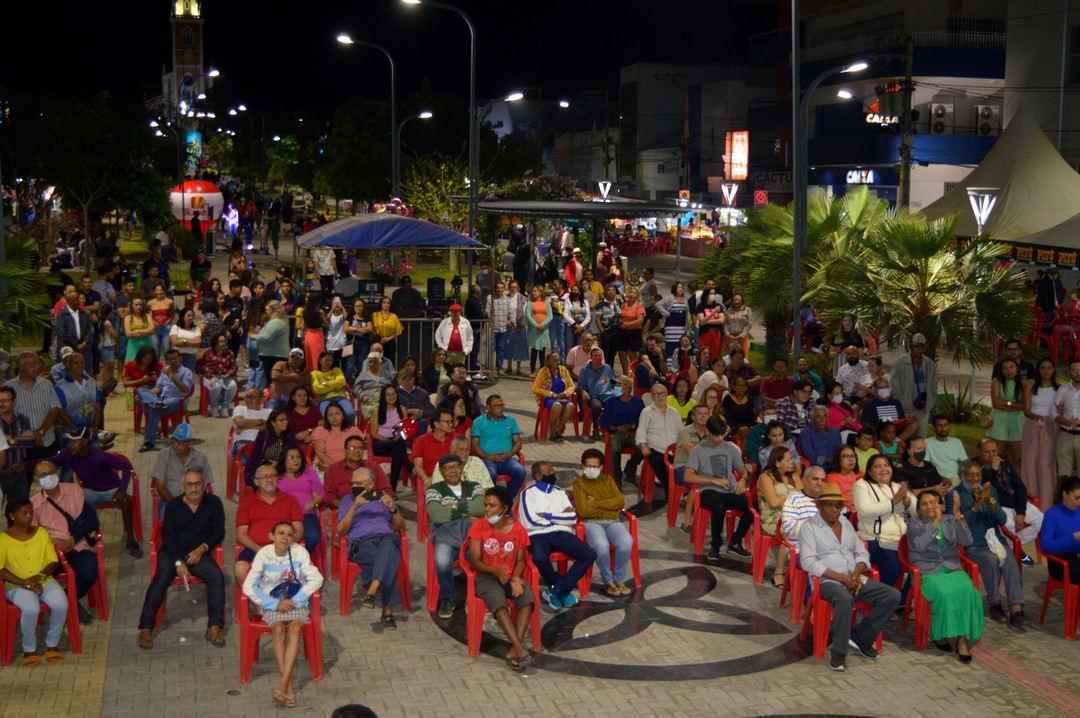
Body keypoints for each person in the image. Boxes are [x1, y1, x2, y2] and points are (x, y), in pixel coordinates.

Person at [799, 482, 902, 672]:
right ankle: (838, 653)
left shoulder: (845, 523)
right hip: (827, 581)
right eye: (829, 505)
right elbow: (809, 562)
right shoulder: (809, 527)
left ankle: (860, 637)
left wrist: (855, 574)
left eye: (838, 505)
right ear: (819, 506)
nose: (834, 509)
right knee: (844, 599)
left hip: (854, 578)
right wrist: (842, 579)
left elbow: (861, 553)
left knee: (892, 596)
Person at [137, 467, 225, 650]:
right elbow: (167, 537)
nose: (194, 488)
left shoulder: (214, 503)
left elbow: (218, 531)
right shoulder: (173, 506)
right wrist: (178, 562)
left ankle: (214, 626)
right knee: (161, 578)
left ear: (205, 484)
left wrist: (202, 549)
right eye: (190, 484)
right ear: (182, 486)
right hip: (172, 553)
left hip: (198, 554)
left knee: (217, 576)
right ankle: (145, 628)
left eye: (198, 483)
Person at [242, 521, 324, 707]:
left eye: (289, 534)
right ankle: (288, 688)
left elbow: (317, 578)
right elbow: (249, 585)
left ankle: (282, 683)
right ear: (272, 536)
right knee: (278, 630)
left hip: (296, 601)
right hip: (273, 602)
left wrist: (298, 600)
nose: (285, 538)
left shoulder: (299, 552)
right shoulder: (264, 554)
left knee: (295, 629)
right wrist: (275, 603)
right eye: (281, 533)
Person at [946, 460, 1027, 626]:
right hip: (972, 543)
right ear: (962, 476)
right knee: (990, 560)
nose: (976, 479)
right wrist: (977, 505)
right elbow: (955, 524)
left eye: (978, 475)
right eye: (971, 475)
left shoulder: (990, 491)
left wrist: (990, 501)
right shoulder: (954, 495)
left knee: (1010, 561)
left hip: (995, 540)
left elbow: (1002, 519)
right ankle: (994, 603)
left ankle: (1016, 608)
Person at [907, 490, 983, 661]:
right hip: (928, 572)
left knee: (968, 591)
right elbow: (919, 545)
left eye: (933, 502)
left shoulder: (950, 520)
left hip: (952, 568)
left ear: (940, 504)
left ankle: (962, 640)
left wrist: (959, 516)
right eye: (924, 504)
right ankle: (940, 634)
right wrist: (934, 523)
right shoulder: (913, 523)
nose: (929, 506)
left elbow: (967, 541)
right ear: (919, 509)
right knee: (945, 594)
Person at [467, 485, 535, 670]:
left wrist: (516, 578)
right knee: (498, 603)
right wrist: (496, 571)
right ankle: (520, 649)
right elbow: (474, 561)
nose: (487, 509)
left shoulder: (518, 530)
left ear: (504, 509)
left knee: (527, 599)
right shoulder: (479, 526)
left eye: (492, 505)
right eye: (486, 505)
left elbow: (521, 560)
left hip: (510, 576)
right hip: (487, 577)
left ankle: (515, 648)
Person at [49, 427, 142, 558]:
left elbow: (126, 466)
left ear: (85, 442)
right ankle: (82, 537)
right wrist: (25, 466)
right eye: (70, 441)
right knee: (72, 503)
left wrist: (122, 488)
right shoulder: (69, 454)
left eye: (75, 441)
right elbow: (50, 461)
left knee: (125, 500)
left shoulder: (100, 455)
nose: (71, 445)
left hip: (111, 490)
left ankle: (131, 540)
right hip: (90, 492)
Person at [518, 460, 597, 611]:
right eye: (550, 471)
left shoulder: (560, 492)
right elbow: (530, 521)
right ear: (539, 476)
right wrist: (559, 518)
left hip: (562, 533)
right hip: (538, 535)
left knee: (589, 554)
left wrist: (547, 515)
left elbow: (572, 518)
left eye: (553, 470)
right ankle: (561, 589)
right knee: (539, 558)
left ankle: (557, 589)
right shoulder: (527, 493)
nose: (554, 474)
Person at [29, 459, 98, 626]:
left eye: (51, 472)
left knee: (90, 572)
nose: (49, 477)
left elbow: (90, 520)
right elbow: (32, 535)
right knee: (38, 577)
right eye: (43, 475)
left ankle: (68, 598)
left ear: (59, 472)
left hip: (77, 546)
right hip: (50, 552)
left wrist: (72, 539)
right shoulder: (33, 504)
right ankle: (65, 603)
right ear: (36, 479)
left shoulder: (74, 491)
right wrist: (54, 542)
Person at [0, 498, 69, 666]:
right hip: (16, 585)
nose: (29, 516)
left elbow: (53, 561)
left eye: (31, 512)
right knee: (31, 608)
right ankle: (29, 648)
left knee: (61, 604)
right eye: (24, 513)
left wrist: (38, 579)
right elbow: (1, 569)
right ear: (12, 516)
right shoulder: (3, 539)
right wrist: (24, 583)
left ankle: (52, 644)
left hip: (43, 580)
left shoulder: (41, 533)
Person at [336, 466, 405, 628]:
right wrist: (354, 508)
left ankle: (373, 588)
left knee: (388, 543)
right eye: (352, 483)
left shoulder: (384, 497)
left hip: (386, 538)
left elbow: (401, 527)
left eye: (358, 483)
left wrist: (392, 509)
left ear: (371, 484)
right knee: (389, 557)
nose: (354, 486)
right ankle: (386, 610)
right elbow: (341, 530)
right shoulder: (347, 501)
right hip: (361, 544)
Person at [426, 453, 486, 619]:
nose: (452, 470)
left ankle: (482, 596)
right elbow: (436, 515)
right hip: (446, 536)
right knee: (442, 561)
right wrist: (466, 514)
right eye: (447, 468)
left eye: (455, 466)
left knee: (487, 558)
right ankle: (448, 598)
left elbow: (480, 508)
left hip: (471, 537)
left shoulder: (474, 486)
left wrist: (452, 506)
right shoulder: (434, 490)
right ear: (442, 472)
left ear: (461, 468)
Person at [685, 417, 752, 563]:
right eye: (716, 435)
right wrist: (712, 480)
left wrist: (743, 479)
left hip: (727, 490)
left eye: (722, 434)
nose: (719, 438)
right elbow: (688, 476)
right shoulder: (698, 450)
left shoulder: (730, 447)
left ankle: (735, 541)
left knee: (752, 506)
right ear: (708, 431)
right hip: (707, 491)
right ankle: (715, 545)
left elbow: (743, 470)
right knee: (718, 507)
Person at [854, 455, 916, 604]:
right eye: (878, 466)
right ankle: (882, 601)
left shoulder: (896, 486)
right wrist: (893, 502)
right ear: (869, 470)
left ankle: (901, 601)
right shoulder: (861, 485)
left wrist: (907, 501)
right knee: (893, 565)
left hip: (903, 540)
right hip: (875, 540)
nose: (883, 469)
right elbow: (864, 510)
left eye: (886, 465)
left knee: (923, 561)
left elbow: (917, 510)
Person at [573, 448, 634, 596]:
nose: (591, 469)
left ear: (601, 467)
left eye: (595, 466)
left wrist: (597, 503)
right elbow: (584, 511)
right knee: (601, 546)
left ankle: (618, 579)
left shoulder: (608, 479)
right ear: (583, 466)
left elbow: (620, 500)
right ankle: (608, 581)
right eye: (588, 466)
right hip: (591, 522)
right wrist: (610, 507)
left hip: (612, 520)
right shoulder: (579, 484)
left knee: (626, 542)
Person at [235, 462, 304, 585]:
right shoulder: (246, 503)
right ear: (256, 482)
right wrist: (260, 550)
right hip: (256, 548)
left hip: (285, 547)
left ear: (278, 479)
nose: (270, 479)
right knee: (240, 569)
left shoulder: (291, 500)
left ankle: (286, 601)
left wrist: (285, 546)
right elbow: (241, 534)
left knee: (302, 572)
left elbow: (298, 529)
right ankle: (262, 604)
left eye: (273, 475)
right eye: (264, 477)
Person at [974, 438, 1043, 554]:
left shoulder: (1004, 463)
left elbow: (1020, 487)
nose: (991, 455)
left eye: (994, 451)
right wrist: (993, 470)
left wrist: (1021, 512)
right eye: (987, 452)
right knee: (1008, 524)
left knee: (1043, 521)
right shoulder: (974, 467)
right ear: (979, 452)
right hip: (998, 505)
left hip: (1015, 502)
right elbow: (983, 489)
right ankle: (1014, 552)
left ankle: (1015, 546)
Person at [759, 446, 803, 588]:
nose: (792, 462)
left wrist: (787, 499)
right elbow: (774, 502)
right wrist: (792, 499)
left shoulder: (793, 477)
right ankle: (778, 572)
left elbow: (803, 499)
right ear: (777, 462)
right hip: (771, 519)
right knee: (789, 531)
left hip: (793, 517)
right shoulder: (766, 477)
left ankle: (800, 572)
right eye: (788, 459)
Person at [151, 423, 215, 518]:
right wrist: (177, 505)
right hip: (169, 501)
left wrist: (192, 503)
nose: (176, 445)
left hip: (194, 500)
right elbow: (160, 487)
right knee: (167, 519)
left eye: (180, 442)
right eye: (174, 440)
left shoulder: (201, 458)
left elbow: (204, 485)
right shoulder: (164, 455)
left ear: (190, 443)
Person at [135, 349, 191, 453]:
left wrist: (172, 376)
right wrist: (146, 395)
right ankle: (156, 403)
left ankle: (149, 442)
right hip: (163, 401)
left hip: (177, 401)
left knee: (154, 410)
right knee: (140, 390)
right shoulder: (165, 370)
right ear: (167, 361)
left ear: (180, 358)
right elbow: (158, 388)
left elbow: (185, 389)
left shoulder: (186, 372)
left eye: (175, 358)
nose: (173, 361)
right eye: (170, 359)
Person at [1023, 358, 1060, 509]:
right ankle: (1030, 503)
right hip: (1032, 424)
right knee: (1029, 463)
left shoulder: (1059, 389)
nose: (1046, 371)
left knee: (1046, 465)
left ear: (1053, 370)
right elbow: (1026, 409)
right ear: (1038, 370)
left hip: (1051, 426)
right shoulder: (1031, 386)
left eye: (1049, 368)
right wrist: (1037, 418)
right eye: (1043, 368)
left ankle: (1047, 504)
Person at [471, 394, 527, 494]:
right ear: (488, 407)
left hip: (507, 459)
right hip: (487, 459)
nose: (500, 408)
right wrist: (488, 457)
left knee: (521, 471)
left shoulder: (511, 420)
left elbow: (518, 443)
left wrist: (510, 454)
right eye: (496, 406)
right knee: (490, 474)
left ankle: (506, 499)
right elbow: (474, 445)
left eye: (501, 405)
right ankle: (492, 498)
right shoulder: (479, 422)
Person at [598, 375, 645, 488]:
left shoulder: (638, 402)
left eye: (620, 385)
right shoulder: (611, 402)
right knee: (615, 448)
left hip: (633, 433)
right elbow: (603, 422)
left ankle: (629, 467)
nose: (616, 387)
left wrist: (632, 427)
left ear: (628, 388)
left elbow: (643, 420)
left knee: (643, 450)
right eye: (616, 385)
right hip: (616, 433)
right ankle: (617, 478)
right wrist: (617, 428)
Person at [637, 383, 681, 500]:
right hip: (656, 450)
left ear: (666, 395)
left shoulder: (674, 412)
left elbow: (680, 432)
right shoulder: (647, 412)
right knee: (655, 460)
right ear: (651, 396)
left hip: (674, 451)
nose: (660, 396)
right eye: (656, 394)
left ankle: (684, 491)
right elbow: (641, 431)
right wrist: (643, 445)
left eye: (662, 393)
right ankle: (670, 489)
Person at [367, 385, 413, 494]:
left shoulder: (402, 409)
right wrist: (388, 440)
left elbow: (405, 430)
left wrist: (400, 436)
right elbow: (373, 434)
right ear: (383, 397)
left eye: (393, 394)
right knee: (396, 447)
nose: (391, 397)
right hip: (380, 443)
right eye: (388, 395)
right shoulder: (377, 411)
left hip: (396, 442)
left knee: (398, 449)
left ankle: (392, 489)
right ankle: (410, 467)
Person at [322, 436, 391, 508]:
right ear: (345, 451)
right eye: (352, 448)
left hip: (372, 508)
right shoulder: (333, 469)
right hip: (346, 510)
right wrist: (347, 508)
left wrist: (375, 504)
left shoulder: (373, 467)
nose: (356, 451)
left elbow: (387, 490)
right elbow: (329, 496)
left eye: (360, 448)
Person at [890, 333, 936, 437]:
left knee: (921, 438)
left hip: (923, 408)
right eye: (916, 346)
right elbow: (894, 384)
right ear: (911, 346)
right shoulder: (900, 362)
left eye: (921, 347)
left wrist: (930, 403)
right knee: (906, 436)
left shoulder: (929, 363)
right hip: (906, 408)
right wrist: (901, 401)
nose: (918, 350)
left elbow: (933, 384)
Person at [1041, 475, 1080, 587]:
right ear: (1064, 495)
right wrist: (1073, 538)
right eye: (1076, 498)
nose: (1079, 502)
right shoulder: (1051, 515)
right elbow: (1046, 546)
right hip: (1060, 561)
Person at [988, 357, 1025, 471]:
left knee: (1017, 459)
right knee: (996, 456)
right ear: (1001, 370)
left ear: (1017, 369)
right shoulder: (997, 381)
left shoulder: (1024, 383)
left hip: (1017, 422)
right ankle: (996, 483)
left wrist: (1005, 404)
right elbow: (995, 403)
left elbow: (1024, 405)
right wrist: (1014, 404)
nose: (1009, 370)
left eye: (1011, 367)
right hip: (999, 421)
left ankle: (1018, 485)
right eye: (1005, 368)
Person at [531, 351, 576, 442]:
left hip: (562, 397)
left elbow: (572, 386)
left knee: (571, 406)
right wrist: (551, 394)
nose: (558, 362)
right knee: (557, 405)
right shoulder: (543, 372)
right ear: (549, 361)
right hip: (548, 399)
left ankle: (558, 429)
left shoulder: (563, 370)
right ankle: (552, 431)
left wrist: (566, 393)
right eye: (555, 360)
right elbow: (535, 388)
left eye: (558, 360)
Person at [244, 410, 297, 487]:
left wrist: (278, 463)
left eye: (286, 419)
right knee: (265, 482)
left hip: (281, 469)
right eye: (281, 420)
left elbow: (292, 452)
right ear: (273, 423)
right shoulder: (263, 434)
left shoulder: (289, 433)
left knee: (286, 482)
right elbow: (254, 455)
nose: (285, 422)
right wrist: (267, 464)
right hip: (259, 468)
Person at [781, 465, 827, 549]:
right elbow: (789, 528)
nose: (820, 483)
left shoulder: (828, 500)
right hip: (802, 549)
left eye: (823, 480)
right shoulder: (793, 499)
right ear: (804, 481)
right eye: (815, 479)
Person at [412, 407, 458, 488]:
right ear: (437, 424)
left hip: (454, 479)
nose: (451, 424)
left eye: (451, 421)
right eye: (447, 422)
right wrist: (425, 478)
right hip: (432, 480)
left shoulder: (457, 439)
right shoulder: (422, 441)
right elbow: (418, 466)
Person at [860, 377, 917, 442]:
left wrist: (907, 420)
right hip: (881, 432)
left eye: (886, 387)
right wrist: (879, 431)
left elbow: (901, 419)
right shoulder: (870, 404)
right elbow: (866, 424)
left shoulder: (896, 402)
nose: (884, 390)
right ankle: (889, 441)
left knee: (915, 425)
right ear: (875, 390)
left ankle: (896, 441)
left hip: (896, 430)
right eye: (881, 388)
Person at [311, 403, 364, 472]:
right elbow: (320, 453)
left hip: (350, 466)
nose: (334, 417)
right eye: (331, 415)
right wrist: (338, 467)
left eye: (337, 413)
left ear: (343, 416)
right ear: (326, 418)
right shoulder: (321, 430)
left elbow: (360, 450)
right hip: (325, 466)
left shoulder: (353, 430)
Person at [578, 347, 616, 441]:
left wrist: (620, 391)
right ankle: (595, 428)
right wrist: (583, 392)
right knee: (596, 406)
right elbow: (581, 385)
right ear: (591, 357)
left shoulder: (607, 368)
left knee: (615, 405)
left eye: (599, 356)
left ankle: (611, 429)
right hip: (593, 396)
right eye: (595, 356)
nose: (598, 357)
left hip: (607, 395)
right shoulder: (585, 370)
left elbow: (614, 382)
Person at [925, 415, 967, 488]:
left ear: (949, 426)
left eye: (945, 425)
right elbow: (925, 465)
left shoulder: (956, 442)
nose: (943, 428)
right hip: (939, 480)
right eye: (939, 426)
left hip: (957, 478)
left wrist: (962, 473)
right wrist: (940, 478)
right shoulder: (927, 443)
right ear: (933, 428)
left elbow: (965, 462)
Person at [617, 286, 646, 378]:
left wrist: (628, 324)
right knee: (621, 354)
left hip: (634, 332)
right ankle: (625, 374)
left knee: (632, 355)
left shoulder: (639, 306)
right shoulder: (624, 304)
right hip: (623, 331)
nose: (632, 295)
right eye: (631, 292)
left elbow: (640, 320)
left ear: (637, 296)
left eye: (634, 293)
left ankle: (634, 374)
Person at [525, 286, 554, 377]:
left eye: (535, 291)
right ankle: (532, 371)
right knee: (534, 351)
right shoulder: (530, 303)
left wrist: (542, 325)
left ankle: (542, 370)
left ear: (541, 292)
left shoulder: (546, 303)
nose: (533, 293)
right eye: (532, 291)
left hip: (544, 330)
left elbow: (550, 316)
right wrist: (536, 325)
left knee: (542, 351)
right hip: (534, 329)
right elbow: (528, 316)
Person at [435, 303, 474, 367]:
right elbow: (438, 335)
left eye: (456, 312)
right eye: (452, 312)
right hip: (448, 352)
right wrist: (443, 348)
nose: (454, 314)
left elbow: (470, 337)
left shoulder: (466, 322)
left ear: (460, 312)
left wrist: (467, 349)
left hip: (461, 353)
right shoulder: (445, 322)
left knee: (459, 371)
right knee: (447, 371)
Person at [371, 296, 404, 367]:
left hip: (390, 341)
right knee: (377, 361)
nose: (386, 304)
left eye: (388, 303)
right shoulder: (375, 315)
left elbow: (397, 331)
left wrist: (387, 339)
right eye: (384, 303)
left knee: (390, 361)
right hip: (378, 341)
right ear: (381, 304)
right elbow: (371, 328)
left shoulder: (394, 316)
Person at [169, 309, 201, 373]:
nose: (191, 317)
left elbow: (198, 342)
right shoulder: (175, 327)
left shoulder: (196, 328)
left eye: (192, 316)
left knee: (188, 377)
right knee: (175, 375)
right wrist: (191, 342)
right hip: (177, 358)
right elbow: (174, 342)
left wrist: (182, 341)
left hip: (190, 358)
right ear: (183, 316)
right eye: (188, 315)